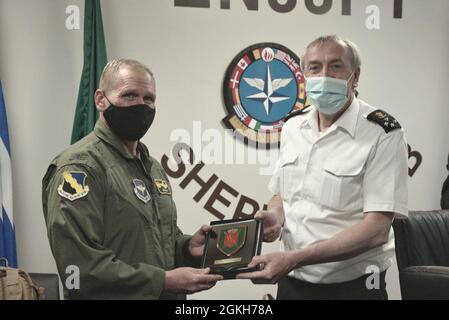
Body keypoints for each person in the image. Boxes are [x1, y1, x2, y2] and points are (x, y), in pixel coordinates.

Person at [237, 35, 408, 300]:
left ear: (355, 75)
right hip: (293, 284)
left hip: (353, 288)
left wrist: (295, 258)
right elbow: (283, 194)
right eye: (315, 67)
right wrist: (276, 216)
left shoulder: (382, 132)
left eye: (336, 66)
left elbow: (377, 229)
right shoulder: (294, 125)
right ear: (304, 74)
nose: (324, 74)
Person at [42, 59, 223, 299]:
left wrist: (187, 248)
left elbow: (154, 241)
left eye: (149, 99)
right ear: (100, 100)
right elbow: (79, 269)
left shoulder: (151, 166)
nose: (141, 105)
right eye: (129, 95)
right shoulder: (80, 168)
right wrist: (163, 281)